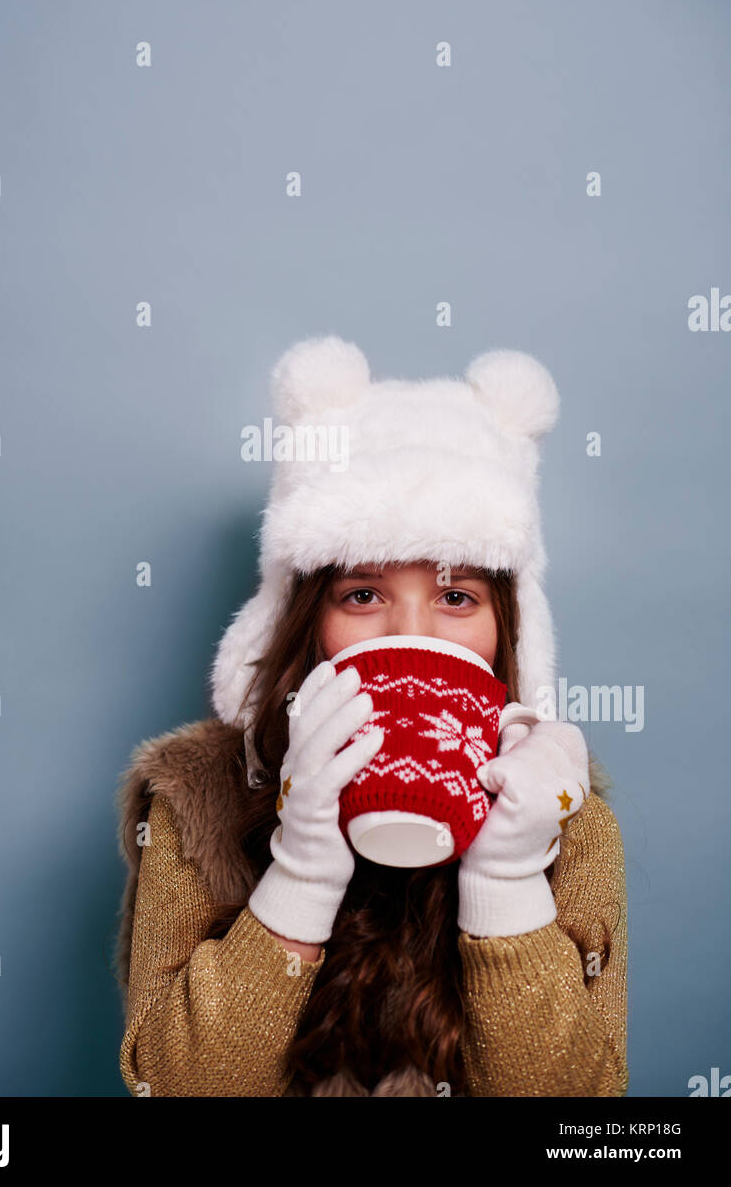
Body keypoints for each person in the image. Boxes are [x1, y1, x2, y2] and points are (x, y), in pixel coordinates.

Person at [114, 336, 628, 1097]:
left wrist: (509, 880)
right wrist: (301, 871)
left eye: (456, 598)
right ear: (303, 620)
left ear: (508, 630)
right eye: (362, 595)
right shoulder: (194, 801)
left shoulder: (564, 811)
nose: (408, 634)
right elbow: (174, 1086)